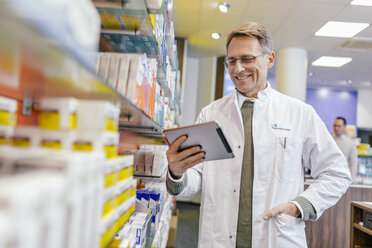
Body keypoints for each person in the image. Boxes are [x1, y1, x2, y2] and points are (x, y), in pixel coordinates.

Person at [163, 22, 351, 248]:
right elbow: (197, 178)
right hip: (219, 238)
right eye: (231, 61)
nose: (238, 68)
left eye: (247, 59)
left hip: (277, 237)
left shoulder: (299, 113)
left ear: (269, 59)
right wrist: (177, 172)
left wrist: (299, 206)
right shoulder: (211, 114)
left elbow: (337, 174)